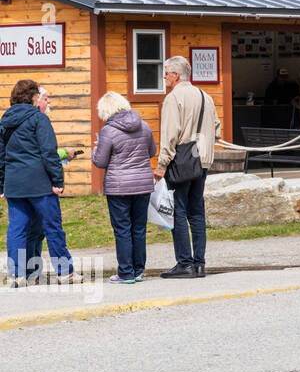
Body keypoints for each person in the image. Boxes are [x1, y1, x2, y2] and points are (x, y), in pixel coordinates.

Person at [2, 79, 78, 287]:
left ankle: (17, 275)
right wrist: (57, 181)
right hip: (39, 183)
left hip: (15, 184)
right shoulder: (39, 119)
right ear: (33, 97)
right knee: (52, 227)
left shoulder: (5, 120)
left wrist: (2, 184)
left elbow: (1, 155)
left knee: (17, 229)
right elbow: (48, 153)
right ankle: (65, 272)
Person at [155, 56, 220, 279]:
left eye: (166, 73)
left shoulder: (173, 98)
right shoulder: (206, 96)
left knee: (178, 211)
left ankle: (184, 263)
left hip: (181, 161)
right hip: (202, 160)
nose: (164, 77)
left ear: (176, 75)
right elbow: (217, 129)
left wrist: (162, 164)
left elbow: (170, 135)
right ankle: (200, 263)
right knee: (197, 212)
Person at [91, 91, 157, 284]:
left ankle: (126, 272)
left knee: (122, 229)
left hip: (118, 187)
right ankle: (138, 270)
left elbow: (101, 161)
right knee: (139, 229)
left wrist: (95, 150)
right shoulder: (143, 125)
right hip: (143, 185)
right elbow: (152, 151)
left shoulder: (108, 131)